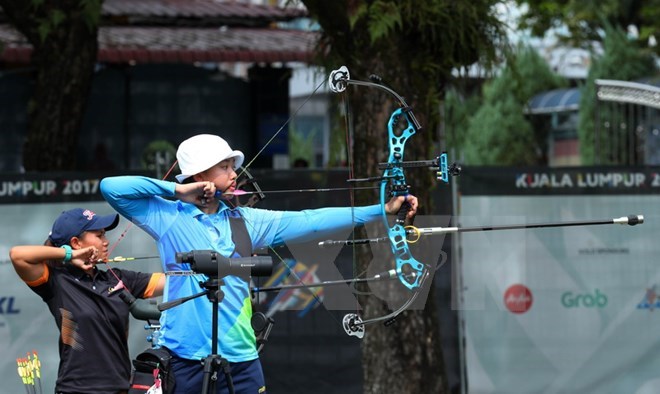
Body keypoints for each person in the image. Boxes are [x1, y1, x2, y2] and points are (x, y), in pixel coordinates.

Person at [99, 133, 418, 394]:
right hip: (184, 359)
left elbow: (312, 220)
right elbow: (112, 188)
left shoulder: (248, 221)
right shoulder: (168, 216)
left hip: (241, 359)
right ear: (200, 176)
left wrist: (381, 209)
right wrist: (179, 190)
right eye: (224, 167)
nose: (234, 173)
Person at [9, 208, 166, 394]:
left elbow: (176, 281)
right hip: (75, 389)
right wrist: (70, 255)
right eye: (99, 235)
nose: (106, 241)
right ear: (76, 243)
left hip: (120, 389)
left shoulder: (118, 279)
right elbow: (17, 255)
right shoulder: (57, 281)